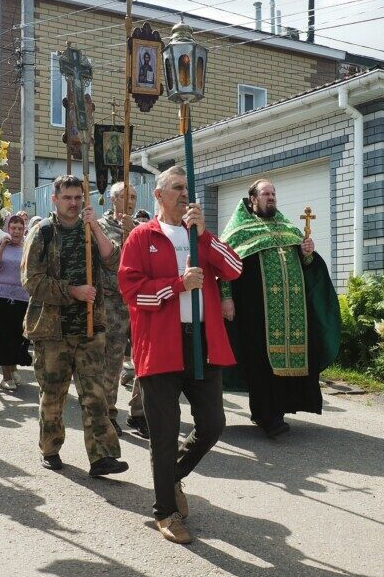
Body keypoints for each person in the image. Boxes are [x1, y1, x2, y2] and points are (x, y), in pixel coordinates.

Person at [119, 166, 243, 544]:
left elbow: (235, 268)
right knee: (164, 431)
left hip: (203, 342)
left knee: (212, 423)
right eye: (176, 188)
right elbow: (132, 292)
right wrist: (177, 285)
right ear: (158, 196)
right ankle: (165, 512)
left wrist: (205, 235)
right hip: (160, 344)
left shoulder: (199, 236)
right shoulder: (142, 237)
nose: (184, 194)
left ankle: (170, 478)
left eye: (186, 188)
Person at [21, 174, 127, 477]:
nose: (74, 203)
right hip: (52, 330)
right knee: (53, 393)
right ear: (54, 200)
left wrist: (95, 227)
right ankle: (50, 447)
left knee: (95, 394)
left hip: (91, 327)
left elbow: (113, 262)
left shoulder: (90, 229)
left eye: (78, 197)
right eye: (67, 198)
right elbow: (31, 281)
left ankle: (102, 456)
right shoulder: (42, 233)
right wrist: (72, 291)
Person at [220, 179, 340, 438]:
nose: (271, 197)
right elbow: (224, 267)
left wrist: (307, 253)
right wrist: (226, 298)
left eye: (273, 193)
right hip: (256, 310)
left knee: (290, 358)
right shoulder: (239, 231)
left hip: (291, 311)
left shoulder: (288, 228)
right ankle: (266, 414)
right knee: (260, 360)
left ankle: (280, 408)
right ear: (253, 199)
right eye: (265, 193)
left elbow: (307, 265)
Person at [98, 182, 148, 437]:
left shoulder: (141, 229)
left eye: (134, 197)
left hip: (139, 302)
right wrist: (125, 236)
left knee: (144, 360)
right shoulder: (100, 227)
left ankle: (139, 412)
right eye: (125, 196)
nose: (130, 201)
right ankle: (108, 413)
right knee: (113, 361)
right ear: (113, 199)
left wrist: (133, 233)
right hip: (113, 302)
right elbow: (109, 261)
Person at [0, 213, 31, 392]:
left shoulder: (27, 245)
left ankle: (13, 367)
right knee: (2, 337)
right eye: (13, 228)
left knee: (17, 337)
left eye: (20, 228)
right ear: (7, 229)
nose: (17, 231)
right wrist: (3, 245)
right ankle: (6, 376)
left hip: (21, 297)